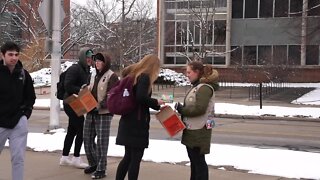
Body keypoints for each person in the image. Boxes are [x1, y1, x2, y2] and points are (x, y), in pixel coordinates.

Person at [115, 54, 165, 180]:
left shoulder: (133, 75)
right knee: (135, 159)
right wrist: (156, 103)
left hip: (128, 120)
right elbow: (141, 97)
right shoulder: (144, 77)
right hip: (137, 123)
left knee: (128, 157)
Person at [175, 61, 218, 180]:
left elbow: (200, 109)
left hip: (199, 131)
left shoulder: (204, 88)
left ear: (197, 72)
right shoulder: (197, 87)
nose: (187, 75)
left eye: (189, 72)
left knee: (198, 163)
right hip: (193, 130)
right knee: (194, 163)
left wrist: (182, 110)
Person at [0, 41, 36, 180]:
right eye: (10, 54)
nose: (14, 57)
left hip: (18, 124)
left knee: (18, 160)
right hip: (0, 123)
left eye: (16, 54)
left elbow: (30, 98)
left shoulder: (23, 74)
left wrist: (25, 115)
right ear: (2, 55)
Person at [83, 53, 119, 179]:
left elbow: (112, 95)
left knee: (102, 143)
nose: (96, 63)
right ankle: (94, 163)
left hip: (104, 113)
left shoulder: (112, 76)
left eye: (99, 61)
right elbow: (90, 87)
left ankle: (101, 169)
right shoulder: (93, 74)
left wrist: (100, 105)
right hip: (90, 111)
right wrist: (84, 90)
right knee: (87, 139)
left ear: (105, 63)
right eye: (96, 61)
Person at [59, 47, 93, 168]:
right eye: (87, 57)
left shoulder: (86, 69)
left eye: (91, 58)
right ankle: (76, 158)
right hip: (70, 101)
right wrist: (81, 90)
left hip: (76, 101)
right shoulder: (75, 68)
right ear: (82, 57)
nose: (89, 60)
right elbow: (68, 85)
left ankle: (64, 157)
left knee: (72, 130)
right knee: (81, 129)